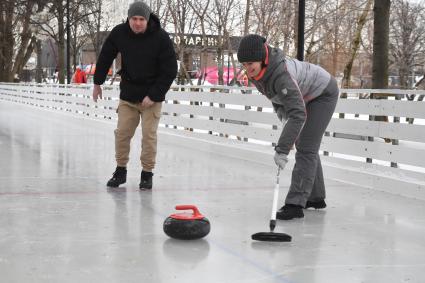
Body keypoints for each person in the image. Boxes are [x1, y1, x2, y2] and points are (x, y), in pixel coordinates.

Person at [237, 34, 339, 220]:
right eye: (244, 64)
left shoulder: (281, 73)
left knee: (306, 146)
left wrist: (282, 149)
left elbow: (298, 113)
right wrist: (284, 120)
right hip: (304, 95)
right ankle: (315, 198)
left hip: (323, 93)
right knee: (305, 144)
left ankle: (295, 204)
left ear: (262, 58)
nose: (247, 68)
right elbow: (277, 98)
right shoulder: (257, 73)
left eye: (250, 63)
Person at [92, 1, 177, 190]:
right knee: (122, 134)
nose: (137, 23)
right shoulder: (119, 33)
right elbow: (106, 56)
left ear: (147, 20)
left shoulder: (161, 38)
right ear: (128, 19)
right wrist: (97, 82)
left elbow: (170, 70)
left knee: (149, 136)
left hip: (151, 98)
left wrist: (154, 95)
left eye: (141, 19)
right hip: (129, 95)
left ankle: (147, 174)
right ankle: (120, 171)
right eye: (134, 19)